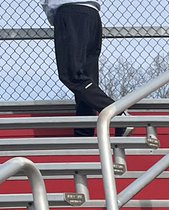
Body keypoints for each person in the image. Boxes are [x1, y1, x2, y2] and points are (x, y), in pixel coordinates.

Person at [43, 0, 117, 137]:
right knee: (88, 79)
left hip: (69, 11)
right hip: (92, 13)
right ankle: (84, 134)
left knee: (72, 75)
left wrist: (53, 15)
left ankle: (117, 111)